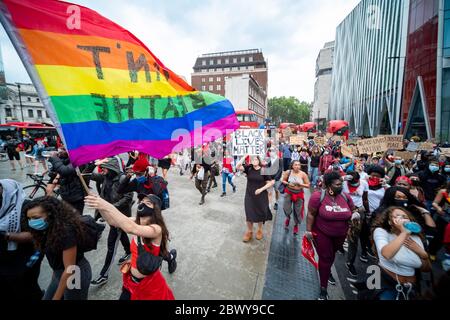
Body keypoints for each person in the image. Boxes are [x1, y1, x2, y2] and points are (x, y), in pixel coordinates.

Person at [85, 193, 175, 300]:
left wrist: (106, 205)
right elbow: (112, 221)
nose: (142, 204)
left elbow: (130, 228)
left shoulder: (156, 229)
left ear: (155, 209)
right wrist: (99, 206)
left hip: (149, 286)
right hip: (131, 282)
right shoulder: (136, 221)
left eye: (148, 203)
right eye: (141, 202)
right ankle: (171, 258)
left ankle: (171, 258)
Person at [24, 197, 92, 300]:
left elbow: (70, 269)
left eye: (35, 217)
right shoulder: (47, 229)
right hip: (59, 273)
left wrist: (57, 297)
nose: (31, 222)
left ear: (50, 214)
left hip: (75, 275)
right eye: (29, 219)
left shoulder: (66, 232)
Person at [306, 171, 357, 300]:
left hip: (340, 235)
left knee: (331, 256)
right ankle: (323, 288)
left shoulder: (346, 197)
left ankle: (326, 270)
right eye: (337, 184)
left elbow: (353, 210)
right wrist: (308, 231)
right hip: (322, 233)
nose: (340, 186)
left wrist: (356, 214)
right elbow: (311, 214)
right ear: (329, 185)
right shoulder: (318, 197)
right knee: (325, 257)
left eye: (341, 184)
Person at [86, 158, 134, 286]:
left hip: (119, 216)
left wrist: (112, 208)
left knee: (111, 245)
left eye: (105, 168)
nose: (103, 170)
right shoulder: (105, 177)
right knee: (121, 234)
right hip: (108, 214)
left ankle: (104, 275)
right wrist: (90, 164)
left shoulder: (123, 178)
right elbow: (88, 175)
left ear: (112, 167)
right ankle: (129, 251)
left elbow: (128, 198)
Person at [372, 207, 431, 300]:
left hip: (410, 288)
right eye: (397, 216)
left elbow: (426, 268)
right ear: (390, 222)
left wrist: (423, 254)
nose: (402, 219)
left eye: (405, 216)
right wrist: (404, 233)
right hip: (386, 283)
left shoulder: (417, 239)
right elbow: (387, 254)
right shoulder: (381, 232)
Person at [0, 179, 43, 300]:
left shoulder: (27, 207)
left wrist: (6, 235)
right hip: (3, 260)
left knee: (26, 289)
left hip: (24, 258)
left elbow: (36, 233)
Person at [236, 155, 275, 242]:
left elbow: (271, 182)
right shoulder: (249, 168)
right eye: (252, 159)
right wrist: (245, 155)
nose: (254, 160)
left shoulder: (263, 170)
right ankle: (249, 231)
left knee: (260, 213)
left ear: (259, 160)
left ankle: (260, 230)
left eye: (256, 159)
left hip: (261, 196)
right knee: (249, 213)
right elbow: (237, 166)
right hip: (249, 195)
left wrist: (261, 189)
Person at [343, 171, 369, 277]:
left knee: (353, 239)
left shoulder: (364, 183)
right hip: (344, 211)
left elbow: (365, 198)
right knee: (340, 235)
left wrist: (367, 212)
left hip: (358, 212)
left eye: (355, 182)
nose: (353, 185)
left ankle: (350, 263)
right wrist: (342, 179)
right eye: (351, 182)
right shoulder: (343, 182)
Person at [48, 149, 85, 214]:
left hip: (76, 195)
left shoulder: (79, 159)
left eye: (63, 149)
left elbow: (64, 171)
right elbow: (54, 172)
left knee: (76, 217)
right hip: (66, 194)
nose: (59, 150)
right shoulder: (65, 160)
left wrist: (55, 158)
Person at [281, 160, 310, 235]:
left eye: (298, 165)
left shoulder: (303, 174)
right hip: (289, 192)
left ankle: (296, 225)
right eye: (295, 165)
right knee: (286, 208)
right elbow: (283, 180)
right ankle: (288, 217)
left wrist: (301, 184)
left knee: (298, 211)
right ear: (292, 166)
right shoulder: (288, 172)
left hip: (299, 194)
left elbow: (308, 185)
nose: (297, 166)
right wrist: (288, 183)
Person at [430, 181, 450, 260]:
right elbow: (434, 203)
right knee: (439, 237)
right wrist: (438, 208)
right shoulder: (443, 192)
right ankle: (432, 251)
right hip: (443, 217)